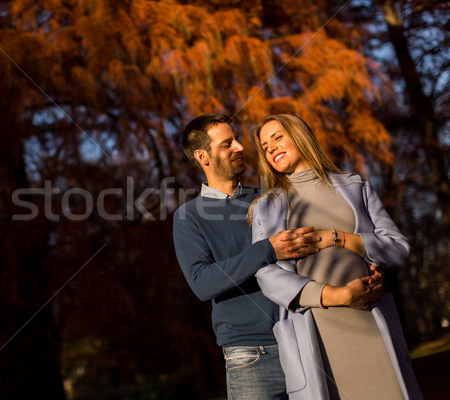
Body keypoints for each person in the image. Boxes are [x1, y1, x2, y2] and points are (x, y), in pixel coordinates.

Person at [172, 113, 382, 400]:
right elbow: (202, 283)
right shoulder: (188, 217)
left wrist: (365, 268)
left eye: (237, 139)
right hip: (251, 355)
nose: (240, 146)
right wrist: (268, 250)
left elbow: (318, 247)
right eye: (227, 143)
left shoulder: (271, 200)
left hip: (307, 336)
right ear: (203, 156)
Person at [249, 114, 423, 400]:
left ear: (300, 135)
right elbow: (265, 274)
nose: (271, 149)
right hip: (317, 328)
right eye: (265, 147)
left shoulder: (354, 186)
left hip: (370, 321)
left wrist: (337, 238)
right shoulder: (267, 207)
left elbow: (397, 248)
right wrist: (338, 295)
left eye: (277, 137)